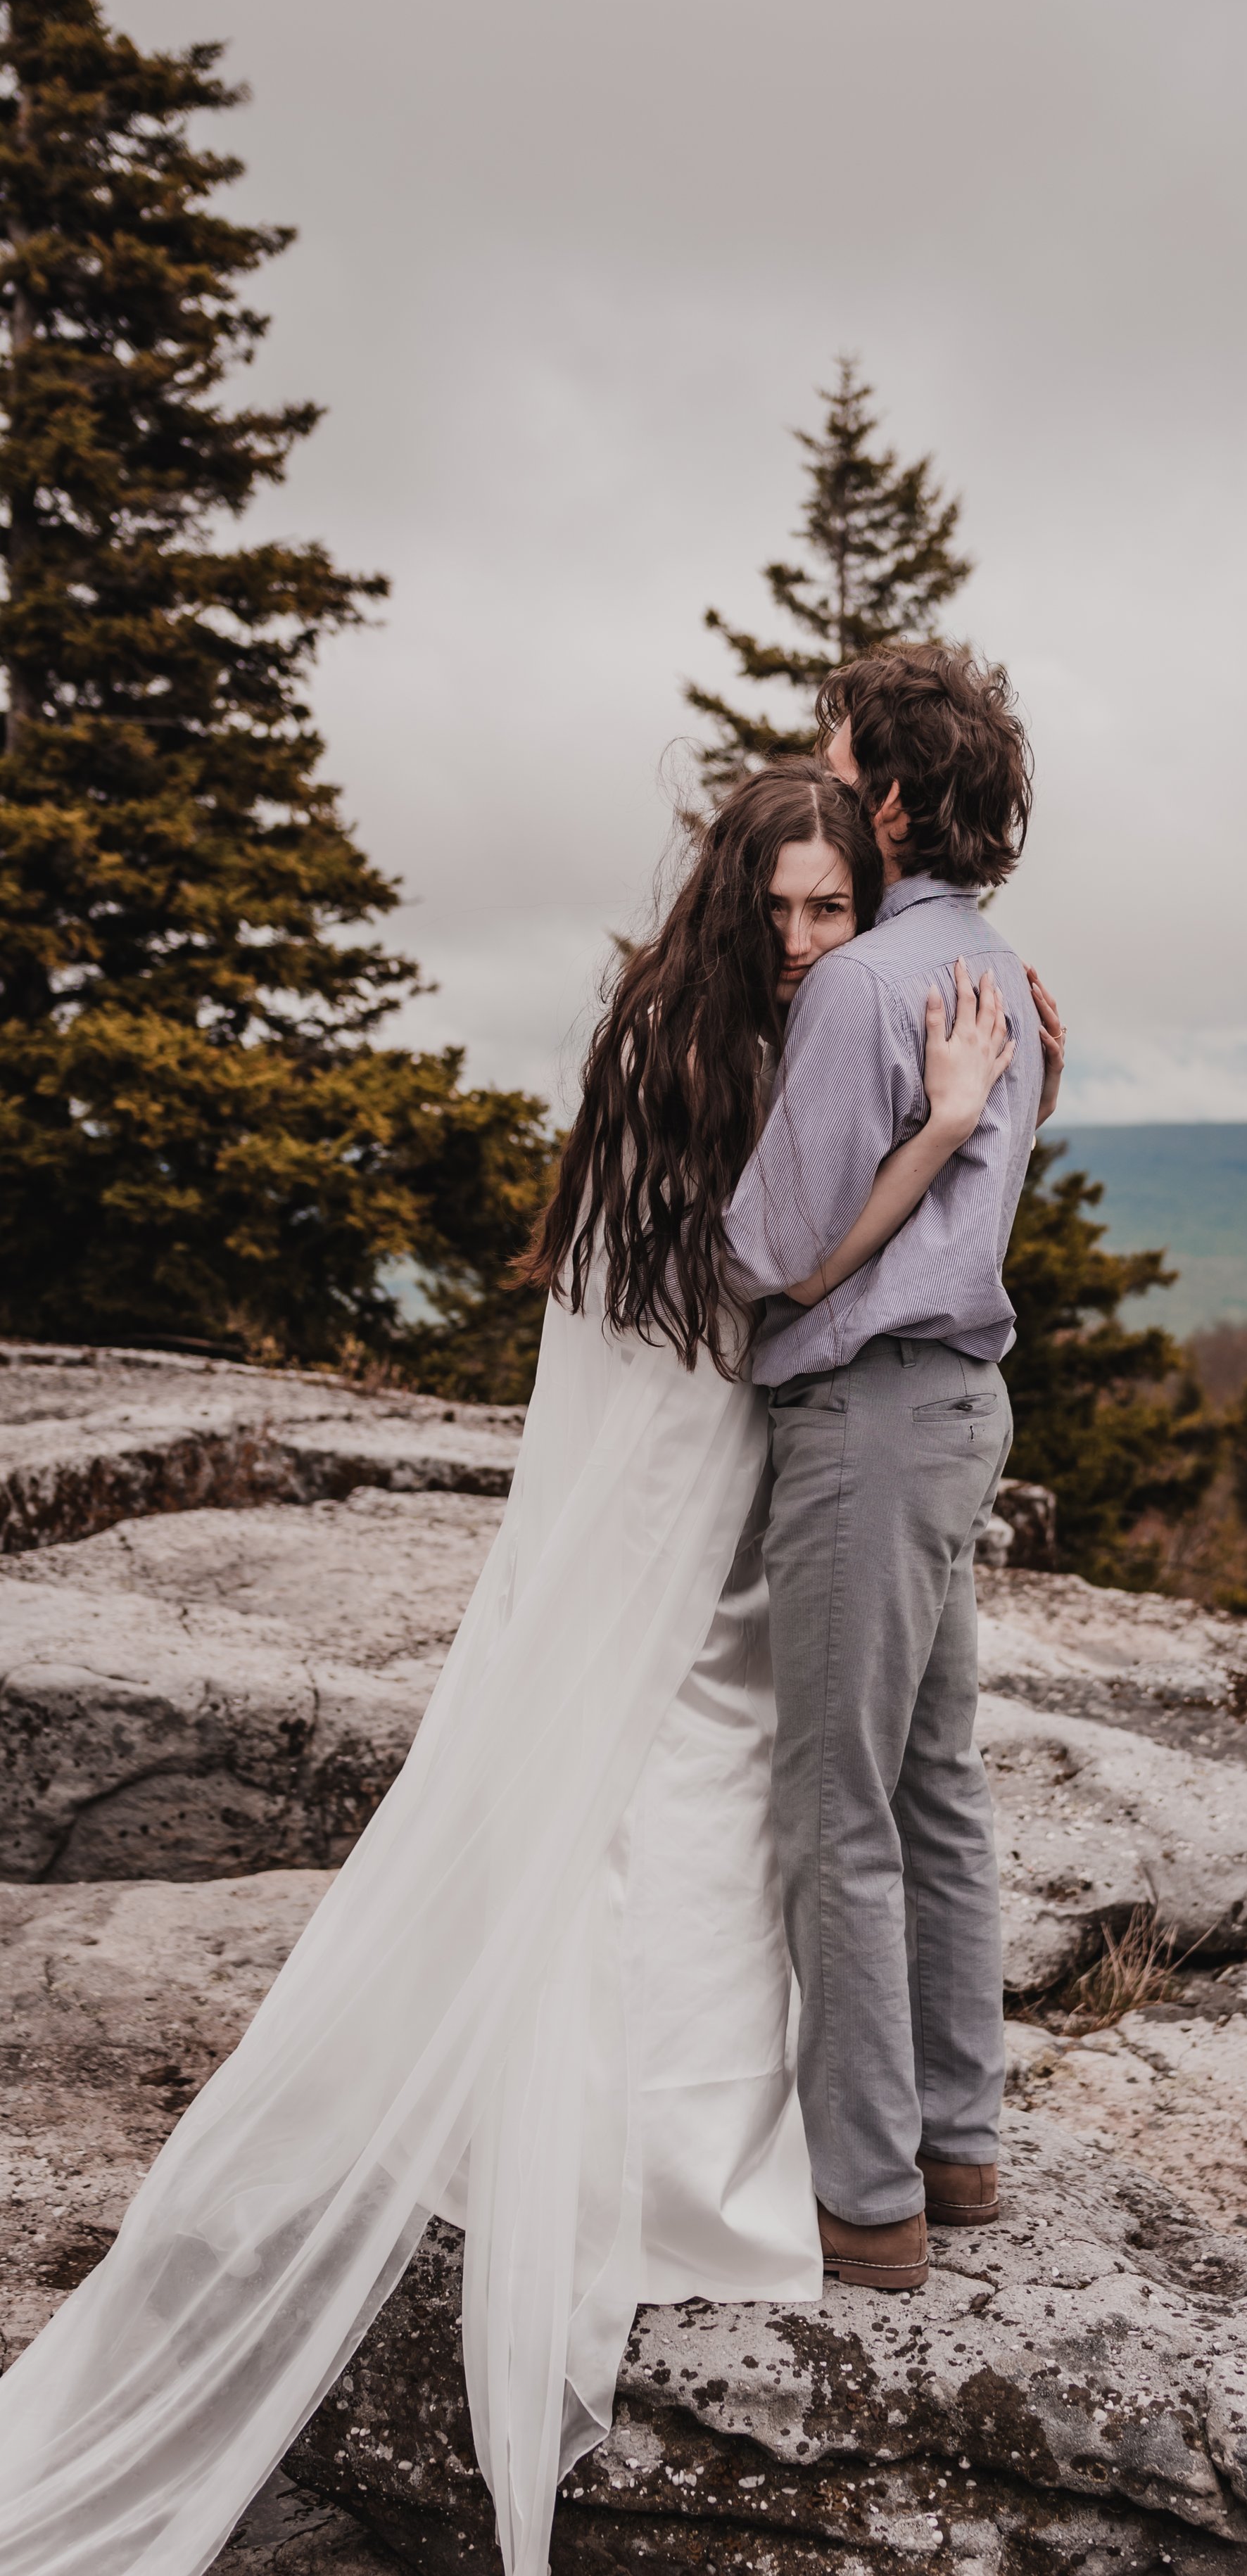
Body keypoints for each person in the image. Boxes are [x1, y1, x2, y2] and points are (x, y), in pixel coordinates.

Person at [0, 759, 1037, 2576]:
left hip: (718, 1476)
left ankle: (674, 2151)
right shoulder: (706, 1055)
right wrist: (945, 1128)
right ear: (733, 900)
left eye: (828, 911)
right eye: (780, 907)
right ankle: (647, 2181)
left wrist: (998, 1073)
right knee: (680, 1785)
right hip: (688, 1472)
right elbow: (783, 1279)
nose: (806, 938)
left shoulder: (712, 1032)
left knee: (713, 1789)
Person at [725, 645, 1063, 2292]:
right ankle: (956, 2139)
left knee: (833, 1806)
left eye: (832, 750)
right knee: (934, 1782)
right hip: (952, 1414)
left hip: (864, 1422)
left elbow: (780, 1248)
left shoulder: (861, 986)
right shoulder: (1000, 969)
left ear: (889, 795)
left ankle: (865, 2202)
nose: (816, 766)